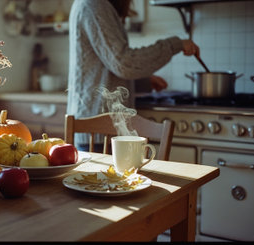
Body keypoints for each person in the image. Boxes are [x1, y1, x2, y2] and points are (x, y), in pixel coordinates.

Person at [67, 0, 200, 152]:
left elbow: (105, 65)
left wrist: (144, 82)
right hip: (99, 132)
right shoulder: (94, 4)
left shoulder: (92, 4)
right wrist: (174, 45)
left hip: (100, 129)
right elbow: (124, 63)